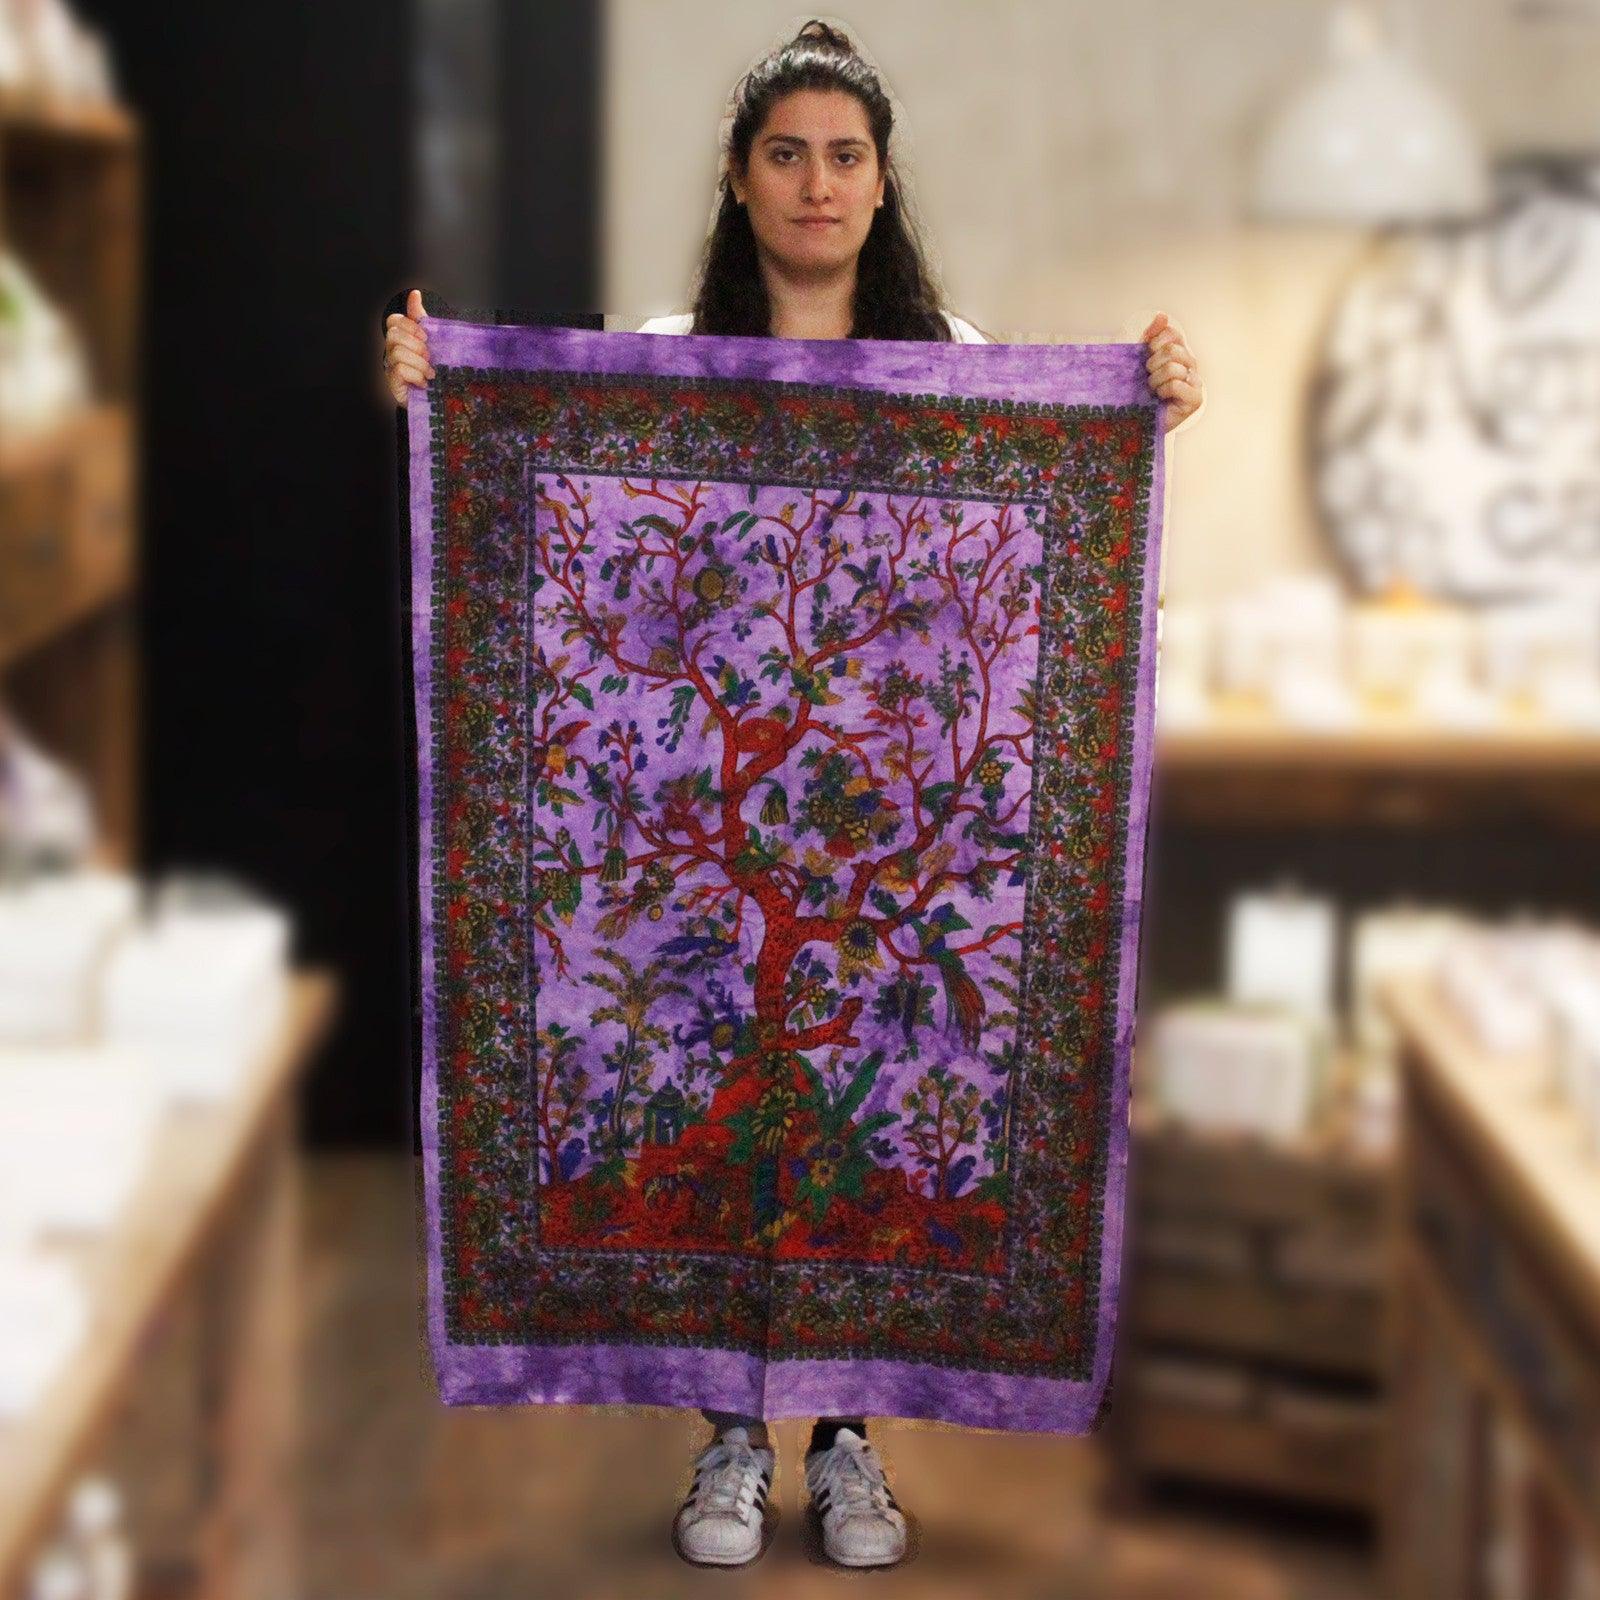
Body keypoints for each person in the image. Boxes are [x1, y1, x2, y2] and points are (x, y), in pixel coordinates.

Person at [382, 17, 1203, 1572]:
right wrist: (435, 392)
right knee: (710, 1075)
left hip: (881, 819)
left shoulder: (956, 366)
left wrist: (1150, 411)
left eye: (844, 157)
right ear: (739, 178)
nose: (816, 184)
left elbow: (1038, 579)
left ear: (881, 184)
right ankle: (729, 1440)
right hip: (700, 816)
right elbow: (543, 537)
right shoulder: (656, 353)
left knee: (869, 1094)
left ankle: (848, 1445)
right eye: (786, 154)